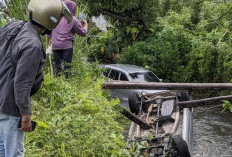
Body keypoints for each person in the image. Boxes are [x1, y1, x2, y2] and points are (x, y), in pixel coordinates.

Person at [0, 0, 72, 156]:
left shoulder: (15, 26)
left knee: (2, 149)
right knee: (14, 153)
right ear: (50, 20)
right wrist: (25, 116)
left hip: (1, 98)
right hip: (11, 107)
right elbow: (22, 85)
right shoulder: (32, 44)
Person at [47, 0, 88, 79]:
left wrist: (48, 41)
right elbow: (83, 33)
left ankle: (57, 84)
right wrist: (85, 25)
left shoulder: (55, 18)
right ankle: (67, 82)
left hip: (55, 46)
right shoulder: (73, 19)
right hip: (66, 47)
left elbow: (49, 32)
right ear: (72, 8)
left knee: (57, 68)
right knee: (67, 68)